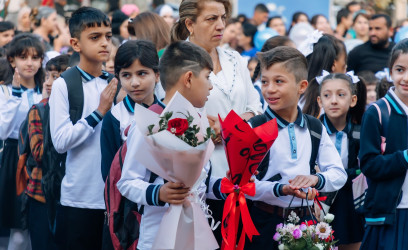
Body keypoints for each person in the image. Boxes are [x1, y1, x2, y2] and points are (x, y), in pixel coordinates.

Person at [170, 0, 262, 244]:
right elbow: (169, 119)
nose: (220, 25)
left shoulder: (234, 59)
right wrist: (205, 131)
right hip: (200, 180)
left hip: (243, 175)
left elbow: (256, 107)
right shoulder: (176, 62)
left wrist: (231, 127)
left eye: (223, 17)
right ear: (190, 24)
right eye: (211, 19)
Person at [245, 46, 347, 250]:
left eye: (279, 81)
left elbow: (338, 173)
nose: (269, 89)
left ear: (301, 86)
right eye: (264, 81)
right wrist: (280, 189)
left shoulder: (314, 127)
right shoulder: (254, 127)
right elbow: (244, 185)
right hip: (263, 223)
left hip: (306, 223)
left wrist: (315, 180)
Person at [117, 40, 215, 250]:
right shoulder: (148, 122)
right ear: (189, 78)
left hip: (196, 235)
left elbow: (201, 182)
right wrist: (159, 193)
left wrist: (228, 187)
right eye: (207, 77)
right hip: (156, 237)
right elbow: (126, 182)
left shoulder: (199, 121)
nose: (211, 85)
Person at [48, 7, 118, 249]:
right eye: (95, 37)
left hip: (114, 198)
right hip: (78, 199)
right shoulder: (64, 84)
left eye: (108, 36)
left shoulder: (116, 83)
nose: (105, 43)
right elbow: (60, 141)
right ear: (75, 44)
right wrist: (98, 113)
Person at [359, 39, 408, 250]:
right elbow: (369, 164)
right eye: (400, 69)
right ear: (390, 72)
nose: (405, 78)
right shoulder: (378, 112)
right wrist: (404, 157)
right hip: (391, 215)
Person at [0, 33, 45, 250]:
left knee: (36, 227)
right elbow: (3, 130)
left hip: (41, 159)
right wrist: (16, 95)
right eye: (23, 57)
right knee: (17, 230)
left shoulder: (46, 90)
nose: (30, 63)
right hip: (13, 158)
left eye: (35, 58)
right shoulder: (4, 91)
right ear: (12, 60)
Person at [317, 72, 367, 250]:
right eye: (327, 95)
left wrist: (347, 174)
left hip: (351, 200)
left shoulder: (360, 132)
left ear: (353, 100)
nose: (334, 101)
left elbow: (365, 167)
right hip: (320, 199)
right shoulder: (313, 131)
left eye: (341, 95)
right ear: (319, 101)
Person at [100, 40, 161, 181]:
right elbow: (110, 173)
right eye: (126, 75)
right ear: (118, 77)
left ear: (157, 75)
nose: (135, 83)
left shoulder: (168, 112)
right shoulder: (114, 117)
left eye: (142, 73)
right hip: (130, 199)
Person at [26, 54, 69, 250]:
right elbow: (39, 153)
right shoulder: (40, 109)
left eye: (57, 77)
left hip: (69, 194)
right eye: (48, 77)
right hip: (41, 193)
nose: (50, 82)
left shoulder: (79, 111)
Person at [302, 34, 347, 117]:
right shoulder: (336, 104)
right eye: (344, 62)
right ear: (334, 64)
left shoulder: (299, 94)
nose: (346, 67)